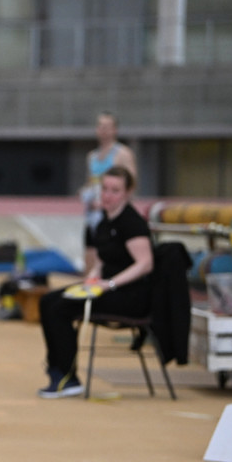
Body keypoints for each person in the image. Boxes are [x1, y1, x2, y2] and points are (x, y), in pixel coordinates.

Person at [38, 166, 153, 398]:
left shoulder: (131, 223)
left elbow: (145, 263)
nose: (107, 195)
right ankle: (57, 371)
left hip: (130, 296)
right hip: (106, 289)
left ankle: (68, 377)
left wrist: (109, 284)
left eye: (115, 190)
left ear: (128, 192)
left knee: (60, 309)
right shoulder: (103, 223)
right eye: (105, 189)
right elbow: (102, 262)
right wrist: (91, 279)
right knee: (47, 301)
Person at [82, 111, 137, 272]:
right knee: (90, 258)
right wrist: (85, 195)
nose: (103, 130)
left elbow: (131, 185)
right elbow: (90, 183)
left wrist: (112, 205)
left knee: (109, 259)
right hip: (94, 216)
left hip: (112, 215)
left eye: (107, 127)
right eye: (100, 126)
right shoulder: (92, 156)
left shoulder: (123, 153)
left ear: (115, 130)